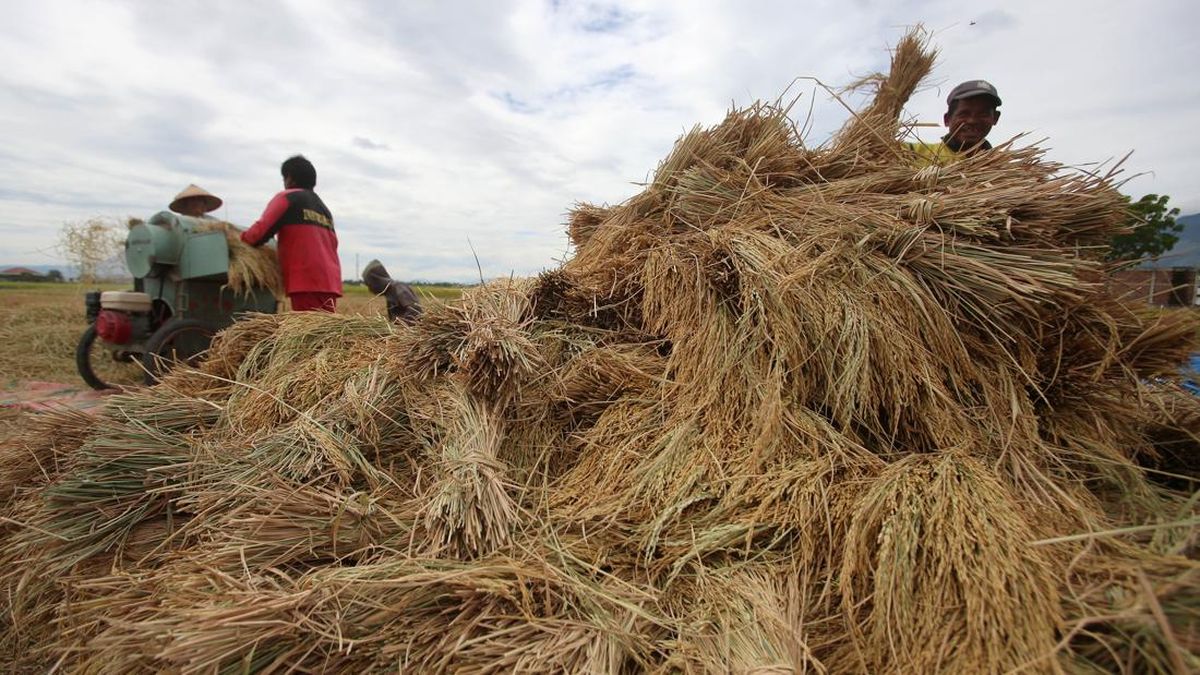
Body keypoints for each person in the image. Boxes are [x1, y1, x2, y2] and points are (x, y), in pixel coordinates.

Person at [240, 156, 342, 312]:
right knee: (323, 332)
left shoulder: (288, 197)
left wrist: (239, 240)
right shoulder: (323, 208)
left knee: (307, 333)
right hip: (329, 282)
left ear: (290, 178)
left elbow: (258, 234)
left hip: (306, 279)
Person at [907, 79, 1002, 165]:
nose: (972, 120)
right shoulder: (912, 153)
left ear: (995, 118)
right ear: (947, 119)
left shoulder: (1003, 168)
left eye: (982, 114)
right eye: (964, 114)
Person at [361, 259, 423, 324]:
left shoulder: (399, 288)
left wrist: (396, 326)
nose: (370, 289)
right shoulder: (390, 293)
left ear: (377, 281)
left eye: (370, 285)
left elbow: (416, 310)